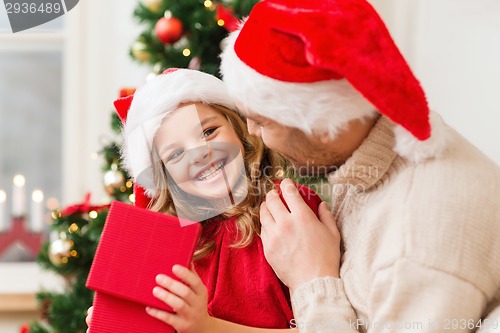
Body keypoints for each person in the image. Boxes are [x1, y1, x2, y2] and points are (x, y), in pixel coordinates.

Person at [218, 0, 500, 332]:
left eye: (262, 121)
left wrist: (311, 279)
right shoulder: (368, 147)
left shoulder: (416, 248)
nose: (251, 132)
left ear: (322, 125)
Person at [86, 68, 332, 333]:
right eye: (176, 154)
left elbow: (328, 325)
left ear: (239, 129)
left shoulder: (288, 208)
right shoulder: (166, 245)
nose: (199, 154)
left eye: (208, 132)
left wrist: (206, 327)